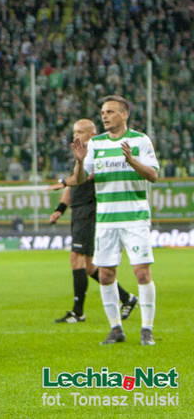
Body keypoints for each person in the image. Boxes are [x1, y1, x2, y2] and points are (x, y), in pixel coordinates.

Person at [70, 96, 159, 345]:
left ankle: (146, 329)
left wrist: (132, 161)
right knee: (107, 274)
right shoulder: (95, 144)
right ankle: (116, 329)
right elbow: (79, 180)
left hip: (135, 218)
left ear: (124, 114)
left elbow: (153, 175)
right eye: (102, 112)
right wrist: (78, 162)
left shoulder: (140, 140)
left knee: (142, 273)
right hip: (107, 220)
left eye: (110, 111)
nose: (105, 116)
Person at [50, 119, 137, 324]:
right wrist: (60, 209)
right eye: (74, 131)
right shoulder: (80, 155)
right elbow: (73, 184)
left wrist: (66, 179)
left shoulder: (99, 152)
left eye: (80, 131)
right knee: (89, 267)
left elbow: (84, 178)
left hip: (90, 211)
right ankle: (127, 298)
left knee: (76, 258)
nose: (76, 135)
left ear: (92, 134)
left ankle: (78, 312)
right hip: (78, 211)